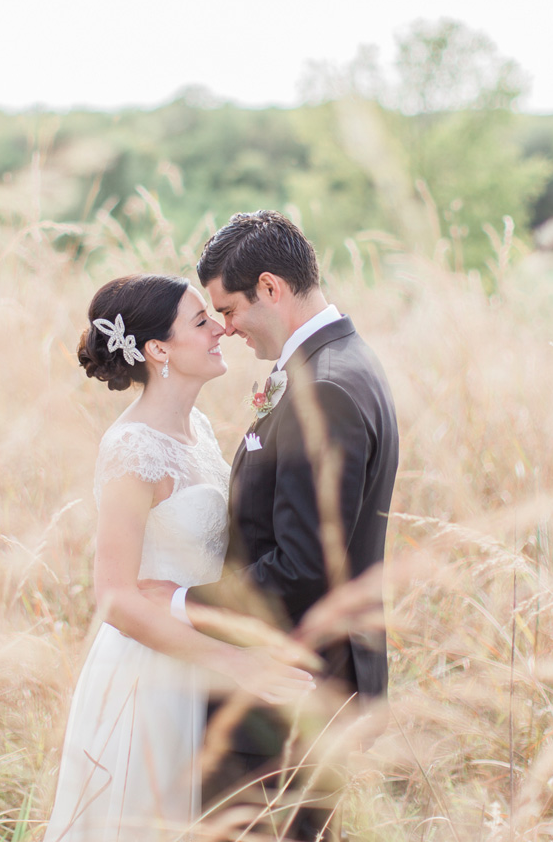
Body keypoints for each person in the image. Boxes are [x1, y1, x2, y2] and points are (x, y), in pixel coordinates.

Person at [142, 211, 400, 840]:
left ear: (271, 288)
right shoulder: (340, 363)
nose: (225, 329)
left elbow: (302, 567)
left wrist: (178, 604)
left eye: (228, 309)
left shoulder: (326, 388)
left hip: (290, 689)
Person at [44, 273, 315, 842]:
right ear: (158, 350)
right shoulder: (131, 449)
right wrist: (235, 662)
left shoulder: (194, 428)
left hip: (202, 663)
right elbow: (116, 598)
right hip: (150, 677)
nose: (220, 327)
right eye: (200, 322)